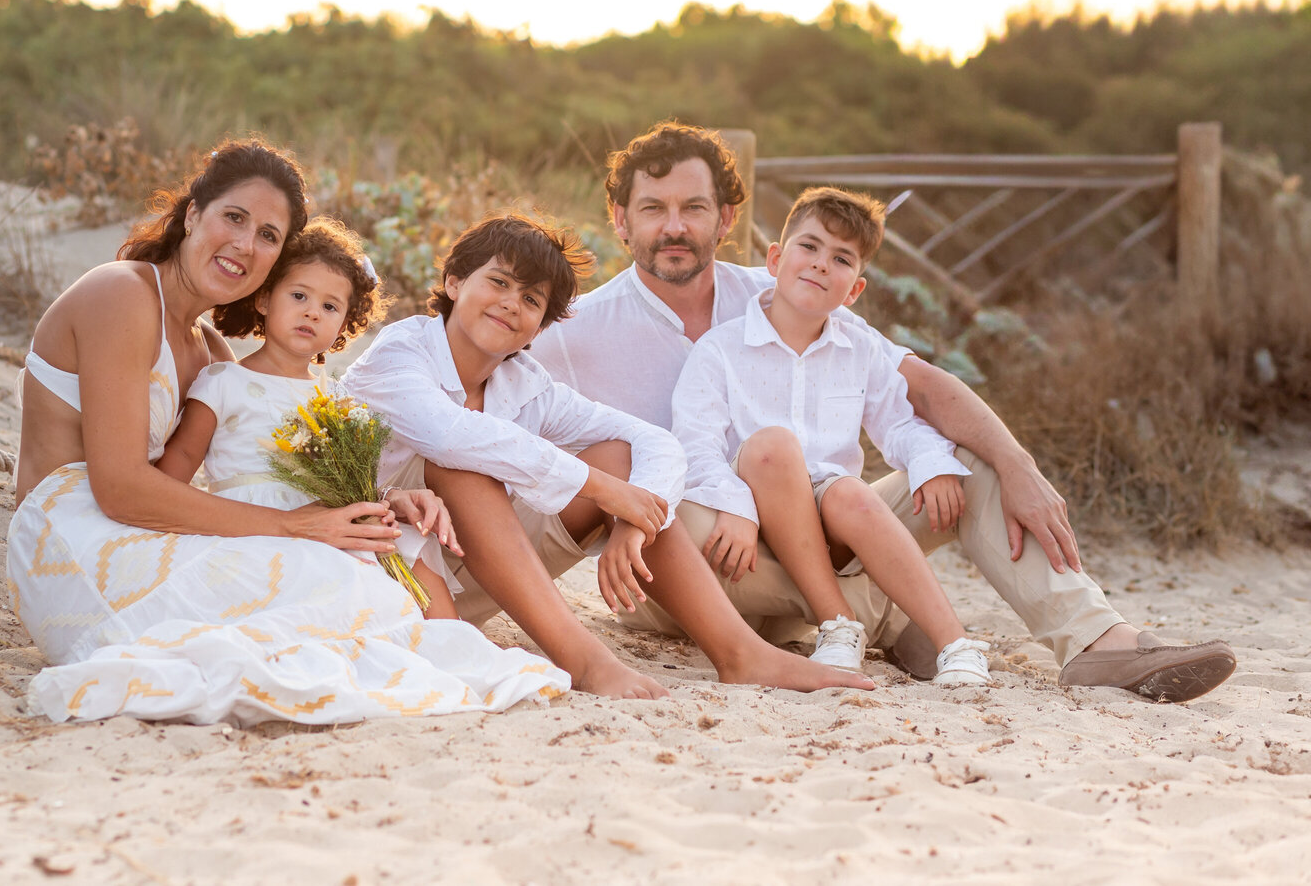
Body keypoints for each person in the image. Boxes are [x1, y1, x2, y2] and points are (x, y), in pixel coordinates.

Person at [530, 121, 1236, 702]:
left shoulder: (788, 286)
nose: (674, 226)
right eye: (653, 209)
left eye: (694, 207)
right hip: (708, 563)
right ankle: (884, 615)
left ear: (728, 219)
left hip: (818, 533)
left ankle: (1093, 641)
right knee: (662, 504)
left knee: (960, 459)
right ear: (621, 221)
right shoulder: (573, 331)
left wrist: (1016, 463)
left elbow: (919, 388)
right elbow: (484, 412)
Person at [6, 139, 568, 727]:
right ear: (193, 212)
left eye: (269, 236)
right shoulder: (121, 293)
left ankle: (432, 647)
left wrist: (378, 501)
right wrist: (294, 526)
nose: (246, 245)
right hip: (72, 537)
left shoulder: (210, 350)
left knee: (344, 565)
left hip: (131, 525)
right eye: (235, 218)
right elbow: (120, 488)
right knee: (313, 567)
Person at [341, 213, 874, 699]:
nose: (511, 303)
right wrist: (599, 489)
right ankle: (587, 663)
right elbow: (451, 436)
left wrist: (633, 521)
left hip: (476, 576)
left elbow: (653, 441)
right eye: (498, 283)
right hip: (385, 574)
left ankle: (740, 653)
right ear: (455, 283)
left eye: (532, 300)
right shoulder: (400, 352)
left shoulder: (525, 383)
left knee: (617, 456)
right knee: (466, 465)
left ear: (542, 324)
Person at [675, 186, 990, 685]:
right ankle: (838, 622)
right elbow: (695, 446)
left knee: (848, 491)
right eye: (810, 247)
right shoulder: (720, 350)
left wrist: (930, 463)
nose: (821, 264)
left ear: (855, 290)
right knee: (774, 447)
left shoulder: (859, 348)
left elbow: (902, 423)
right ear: (775, 259)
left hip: (831, 523)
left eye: (841, 258)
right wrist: (733, 503)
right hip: (750, 520)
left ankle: (955, 642)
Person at [153, 216, 461, 619]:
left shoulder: (332, 396)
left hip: (325, 523)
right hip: (250, 528)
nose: (312, 313)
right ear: (264, 299)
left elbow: (351, 481)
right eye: (299, 296)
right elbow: (171, 478)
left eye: (330, 306)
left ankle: (446, 638)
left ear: (342, 327)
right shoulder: (223, 382)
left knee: (400, 539)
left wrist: (385, 501)